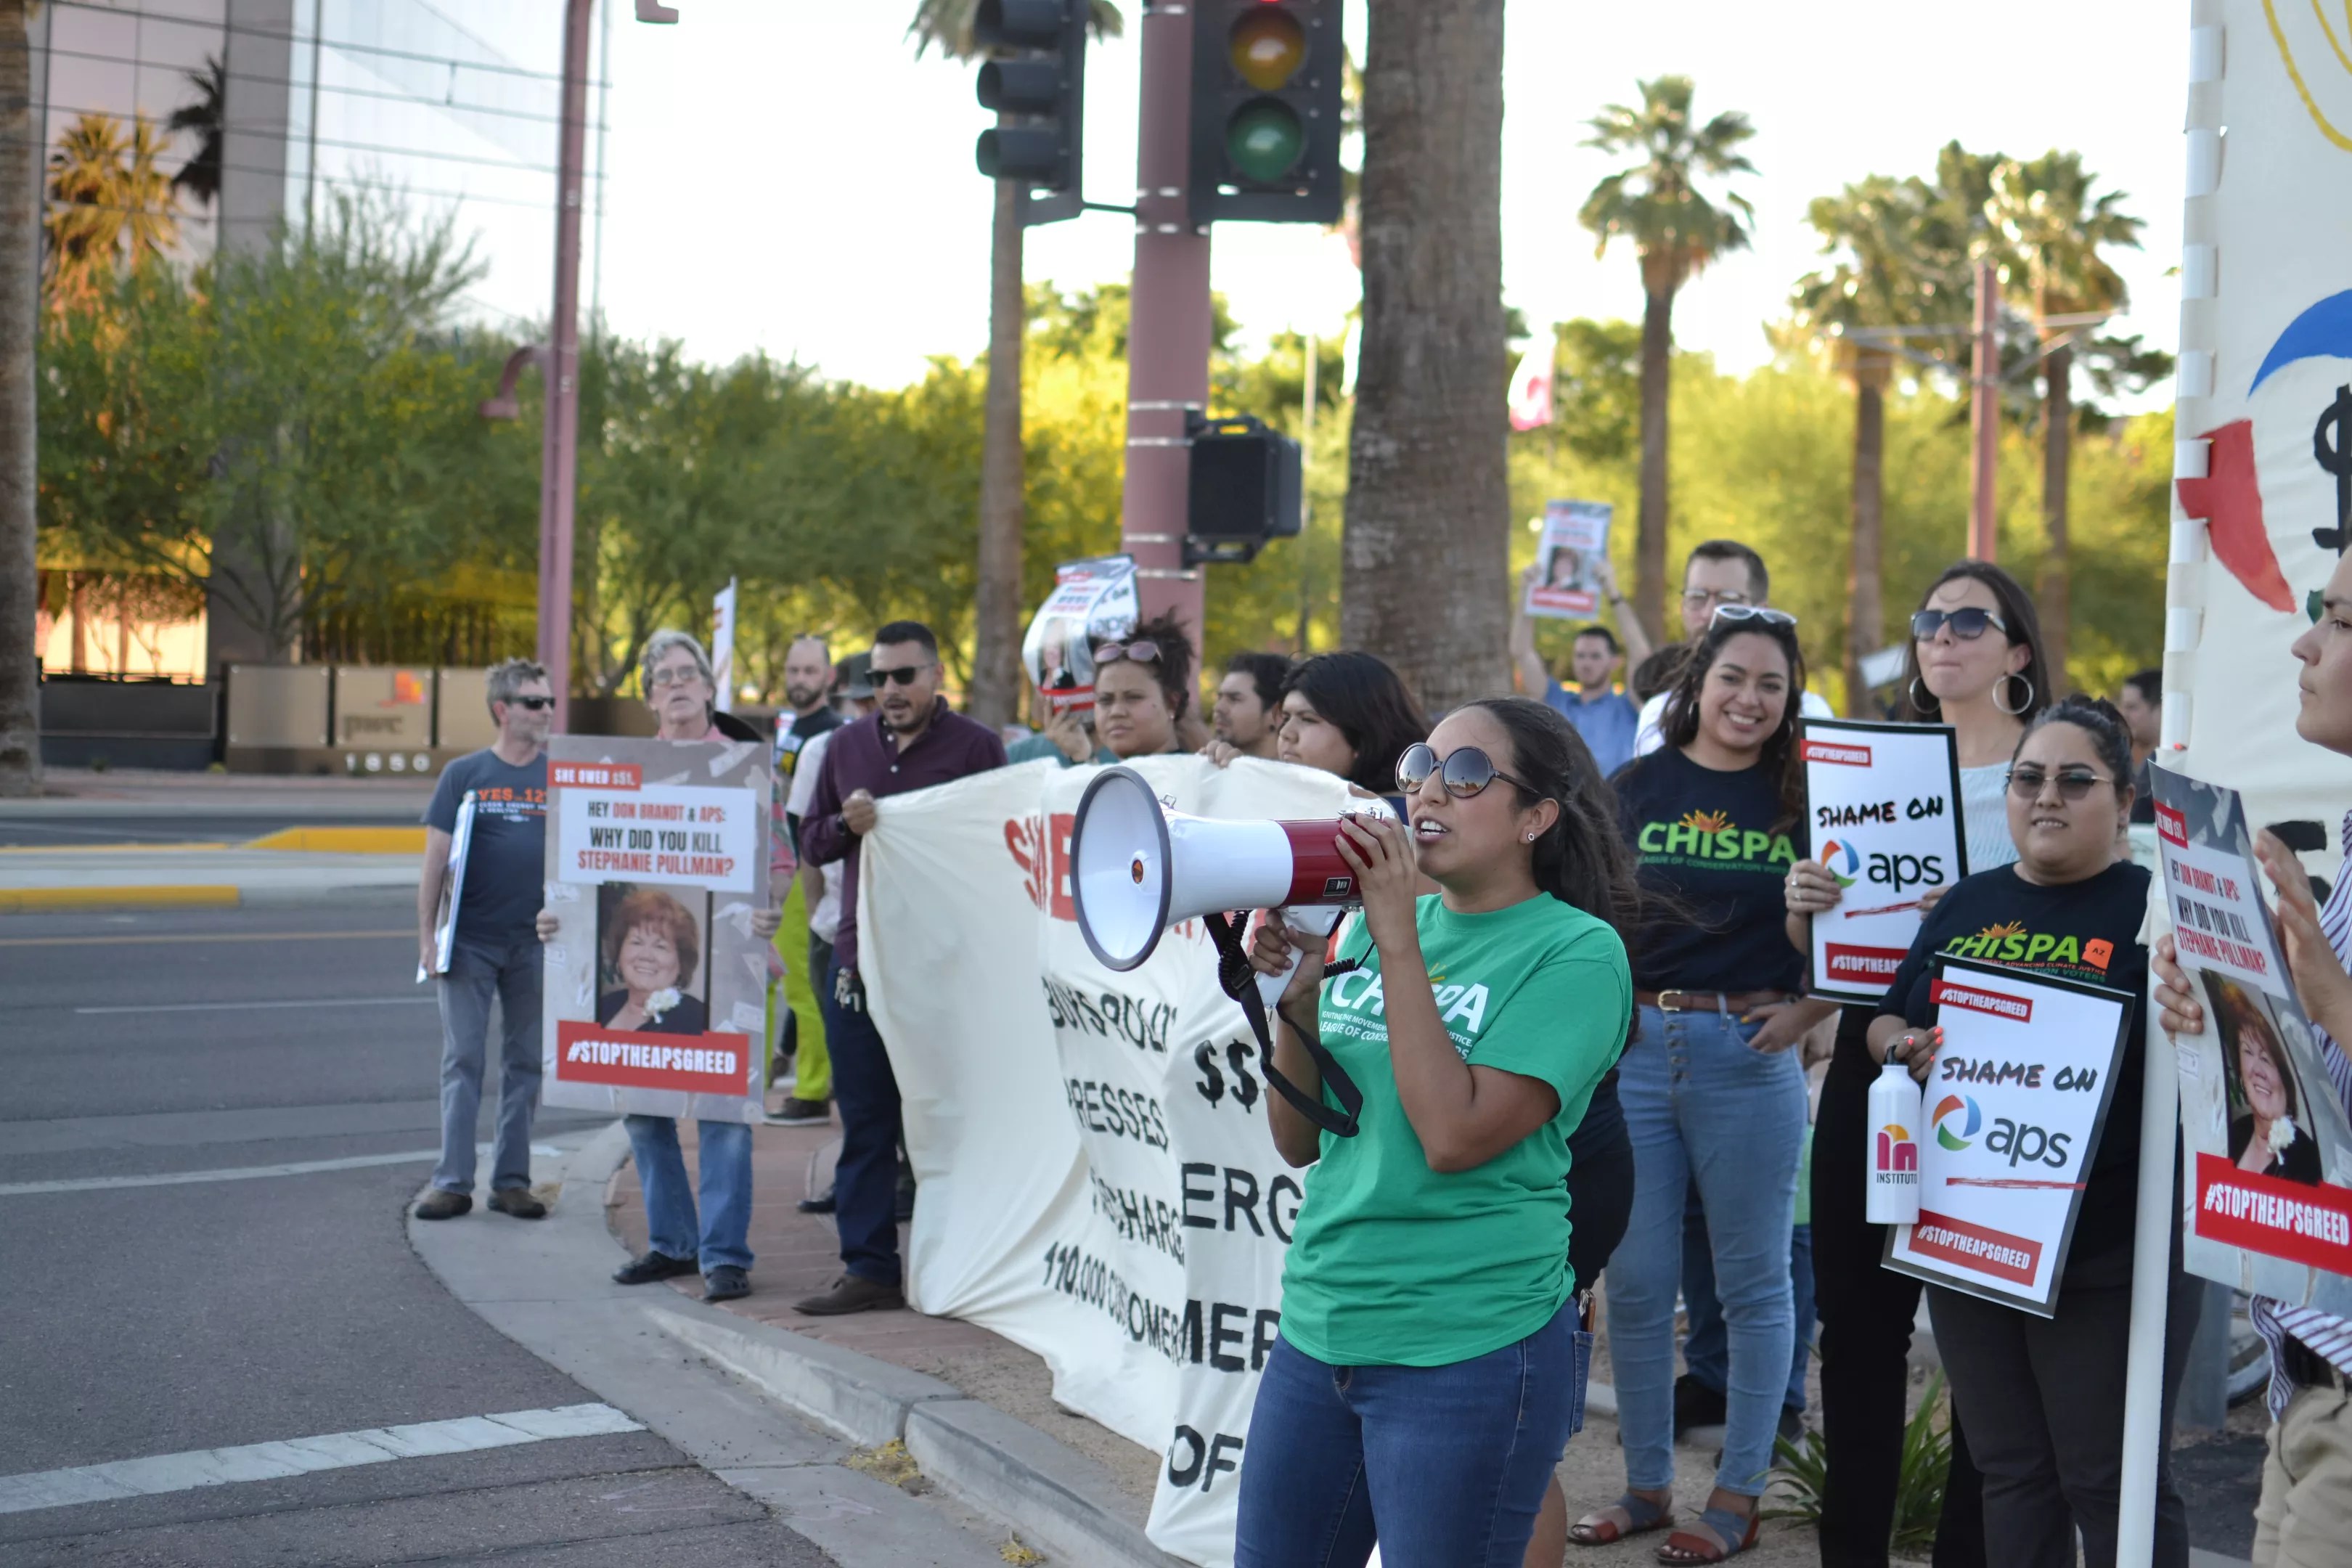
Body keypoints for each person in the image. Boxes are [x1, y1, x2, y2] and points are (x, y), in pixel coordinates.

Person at [1233, 698, 1638, 1566]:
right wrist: (1298, 1004)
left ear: (1535, 818)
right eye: (1420, 767)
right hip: (1321, 1323)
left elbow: (1453, 1137)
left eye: (1467, 774)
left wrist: (1394, 942)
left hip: (1467, 1347)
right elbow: (1299, 1141)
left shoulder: (1578, 953)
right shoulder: (1382, 926)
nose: (1428, 792)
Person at [1871, 696, 2197, 1568]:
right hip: (1970, 1235)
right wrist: (1906, 1047)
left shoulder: (2161, 911)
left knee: (2112, 1479)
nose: (2046, 796)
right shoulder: (1967, 902)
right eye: (2028, 778)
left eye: (2074, 780)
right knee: (2010, 1470)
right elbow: (1886, 1020)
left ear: (2124, 801)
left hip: (2110, 1252)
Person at [1780, 559, 2053, 1568]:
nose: (1941, 635)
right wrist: (1804, 904)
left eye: (1969, 621)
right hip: (1874, 1059)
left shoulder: (2049, 769)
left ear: (2017, 651)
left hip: (2003, 1070)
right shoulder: (1874, 769)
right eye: (1930, 619)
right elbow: (1831, 955)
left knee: (1989, 1346)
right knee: (1857, 1331)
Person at [1576, 606, 1814, 1563]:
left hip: (1748, 1055)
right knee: (1636, 1285)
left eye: (1771, 685)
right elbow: (1588, 913)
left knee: (1755, 1287)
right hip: (1634, 1052)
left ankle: (1739, 1493)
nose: (1749, 699)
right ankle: (1646, 1487)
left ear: (1791, 699)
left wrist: (1809, 1005)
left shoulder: (1810, 800)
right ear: (1697, 686)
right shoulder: (1635, 788)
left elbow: (1864, 933)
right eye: (1733, 679)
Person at [2154, 548, 2352, 1568]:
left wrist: (2329, 998)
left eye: (2341, 621)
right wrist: (2230, 1005)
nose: (2306, 644)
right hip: (2304, 1363)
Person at [541, 630, 787, 1304]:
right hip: (642, 989)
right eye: (663, 677)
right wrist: (559, 917)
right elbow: (580, 865)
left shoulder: (746, 768)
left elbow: (781, 863)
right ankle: (674, 1244)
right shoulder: (628, 767)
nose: (676, 685)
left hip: (730, 973)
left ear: (708, 688)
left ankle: (725, 1256)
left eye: (687, 674)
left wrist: (770, 910)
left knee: (723, 1119)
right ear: (650, 696)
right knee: (644, 1116)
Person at [796, 621, 1008, 1315]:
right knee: (866, 1125)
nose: (890, 689)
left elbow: (1001, 845)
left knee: (955, 1126)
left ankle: (971, 1269)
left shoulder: (977, 748)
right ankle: (869, 1270)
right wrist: (844, 825)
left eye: (904, 675)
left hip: (946, 972)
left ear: (937, 676)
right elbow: (812, 841)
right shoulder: (844, 747)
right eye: (879, 677)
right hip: (861, 966)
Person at [413, 657, 555, 1223]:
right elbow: (434, 860)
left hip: (535, 945)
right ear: (503, 710)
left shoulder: (560, 778)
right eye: (535, 702)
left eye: (549, 701)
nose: (546, 711)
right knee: (464, 1059)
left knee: (525, 1063)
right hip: (468, 942)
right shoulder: (464, 775)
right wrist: (428, 938)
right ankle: (452, 1182)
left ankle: (512, 1182)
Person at [1631, 541, 1833, 757]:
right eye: (1697, 598)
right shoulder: (1659, 713)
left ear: (1761, 611)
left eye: (1728, 601)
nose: (1709, 614)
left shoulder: (1810, 713)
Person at [769, 634, 843, 1125]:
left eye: (810, 671)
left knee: (804, 986)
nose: (800, 680)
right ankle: (802, 1076)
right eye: (794, 671)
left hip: (804, 870)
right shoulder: (792, 729)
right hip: (783, 868)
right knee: (792, 983)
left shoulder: (830, 735)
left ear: (828, 677)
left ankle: (813, 1090)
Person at [1511, 573, 1641, 776]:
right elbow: (1521, 652)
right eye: (1580, 656)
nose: (1586, 663)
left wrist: (1614, 594)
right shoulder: (1556, 700)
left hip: (1616, 795)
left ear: (1614, 661)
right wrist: (1528, 592)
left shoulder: (1627, 707)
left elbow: (1640, 654)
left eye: (1595, 656)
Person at [1275, 650, 1430, 807]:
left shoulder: (1400, 817)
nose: (1285, 733)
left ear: (1364, 735)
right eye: (1286, 718)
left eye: (1308, 719)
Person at [2213, 979, 2324, 1182]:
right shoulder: (2235, 1133)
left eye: (2265, 1059)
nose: (2257, 1070)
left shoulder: (2305, 1158)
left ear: (2286, 1079)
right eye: (2248, 1052)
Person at [597, 887, 711, 1034]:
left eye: (660, 947)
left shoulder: (698, 1019)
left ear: (681, 962)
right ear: (619, 952)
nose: (646, 955)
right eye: (637, 942)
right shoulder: (604, 1005)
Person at [1213, 650, 1291, 761]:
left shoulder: (1301, 771)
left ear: (1276, 715)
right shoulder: (1211, 766)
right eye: (1219, 698)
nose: (1218, 708)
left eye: (1234, 699)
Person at [2118, 668, 2162, 824]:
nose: (2124, 715)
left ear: (2160, 710)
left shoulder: (2167, 770)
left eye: (2132, 708)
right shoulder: (2128, 765)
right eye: (2123, 707)